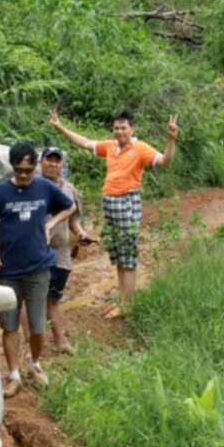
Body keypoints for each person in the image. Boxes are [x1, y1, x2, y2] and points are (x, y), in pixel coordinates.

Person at [49, 108, 178, 315]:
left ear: (132, 128)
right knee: (118, 256)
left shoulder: (141, 148)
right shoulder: (110, 146)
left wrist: (170, 139)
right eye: (116, 128)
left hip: (127, 202)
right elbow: (84, 142)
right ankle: (123, 301)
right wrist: (60, 127)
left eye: (123, 128)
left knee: (127, 257)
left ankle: (127, 305)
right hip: (110, 204)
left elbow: (164, 161)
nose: (119, 131)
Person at [0, 141, 76, 397]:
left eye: (28, 171)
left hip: (38, 267)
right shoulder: (0, 193)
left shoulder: (45, 187)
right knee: (9, 325)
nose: (23, 176)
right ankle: (13, 374)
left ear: (35, 167)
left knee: (37, 326)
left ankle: (35, 363)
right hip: (8, 270)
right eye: (18, 170)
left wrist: (50, 223)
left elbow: (69, 206)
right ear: (12, 167)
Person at [36, 146, 92, 354]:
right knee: (33, 299)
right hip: (35, 252)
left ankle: (60, 341)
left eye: (56, 160)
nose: (52, 164)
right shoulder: (31, 185)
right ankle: (34, 347)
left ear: (62, 164)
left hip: (60, 252)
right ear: (41, 162)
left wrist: (81, 233)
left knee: (54, 298)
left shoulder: (69, 189)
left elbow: (74, 220)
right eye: (48, 160)